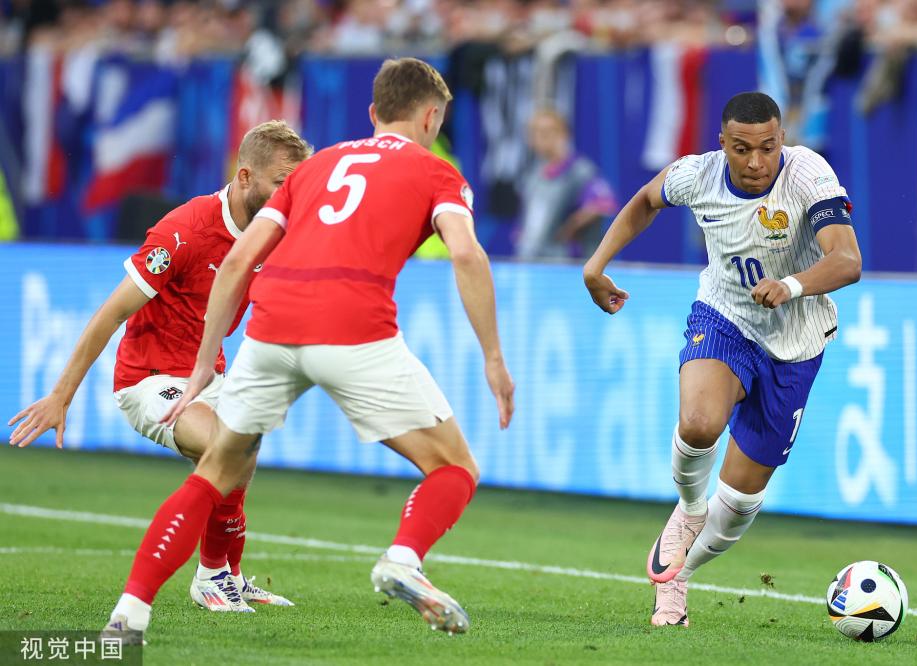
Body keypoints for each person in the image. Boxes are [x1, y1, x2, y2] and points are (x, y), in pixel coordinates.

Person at [101, 57, 515, 640]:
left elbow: (241, 261)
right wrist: (494, 358)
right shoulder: (438, 171)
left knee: (216, 469)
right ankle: (402, 559)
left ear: (373, 114)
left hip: (271, 325)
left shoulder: (314, 167)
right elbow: (468, 255)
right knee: (454, 466)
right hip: (354, 324)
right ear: (431, 118)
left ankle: (130, 614)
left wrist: (201, 369)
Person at [8, 120, 312, 613]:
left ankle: (228, 574)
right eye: (281, 183)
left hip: (208, 374)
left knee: (243, 451)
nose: (290, 194)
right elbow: (112, 313)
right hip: (150, 379)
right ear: (243, 178)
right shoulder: (184, 232)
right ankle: (212, 577)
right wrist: (62, 395)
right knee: (224, 446)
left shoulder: (274, 232)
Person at [583, 92, 861, 627]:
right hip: (725, 317)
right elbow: (645, 199)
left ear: (782, 138)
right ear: (722, 145)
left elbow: (847, 261)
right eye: (742, 149)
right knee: (699, 422)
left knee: (735, 506)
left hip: (796, 344)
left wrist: (792, 284)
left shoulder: (809, 175)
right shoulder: (698, 176)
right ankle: (688, 510)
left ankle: (678, 578)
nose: (756, 163)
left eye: (767, 147)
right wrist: (596, 265)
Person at [516, 108, 617, 260]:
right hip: (532, 263)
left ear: (564, 134)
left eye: (547, 131)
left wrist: (569, 229)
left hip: (567, 265)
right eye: (535, 132)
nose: (540, 138)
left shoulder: (580, 172)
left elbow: (604, 205)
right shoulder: (533, 176)